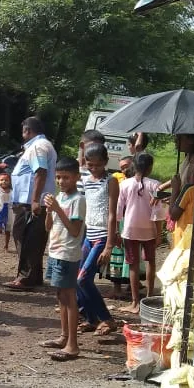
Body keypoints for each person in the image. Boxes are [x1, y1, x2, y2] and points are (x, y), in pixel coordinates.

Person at [38, 157, 86, 362]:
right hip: (55, 251)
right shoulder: (61, 198)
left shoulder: (78, 200)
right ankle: (64, 337)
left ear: (76, 177)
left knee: (69, 298)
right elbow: (48, 227)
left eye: (66, 177)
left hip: (68, 253)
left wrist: (57, 209)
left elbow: (75, 231)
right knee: (60, 296)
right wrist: (49, 212)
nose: (61, 181)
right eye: (58, 177)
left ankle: (73, 345)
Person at [5, 116, 57, 291]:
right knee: (32, 238)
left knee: (26, 238)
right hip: (31, 201)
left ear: (28, 130)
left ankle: (26, 278)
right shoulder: (40, 145)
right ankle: (33, 276)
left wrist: (35, 200)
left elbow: (40, 172)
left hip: (31, 203)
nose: (23, 134)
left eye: (23, 131)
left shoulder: (38, 146)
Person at [77, 143, 119, 335]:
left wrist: (109, 245)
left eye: (97, 165)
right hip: (88, 235)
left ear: (105, 162)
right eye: (89, 165)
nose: (93, 169)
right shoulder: (85, 179)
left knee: (84, 279)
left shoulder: (110, 181)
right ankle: (90, 318)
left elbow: (112, 214)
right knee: (77, 279)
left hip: (102, 236)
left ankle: (107, 319)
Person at [117, 152, 160, 315]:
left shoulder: (125, 184)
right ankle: (148, 298)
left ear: (133, 166)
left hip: (130, 228)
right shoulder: (156, 185)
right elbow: (158, 211)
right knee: (151, 262)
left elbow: (119, 209)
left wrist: (116, 230)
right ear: (150, 168)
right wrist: (158, 232)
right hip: (149, 228)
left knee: (133, 264)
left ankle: (135, 302)